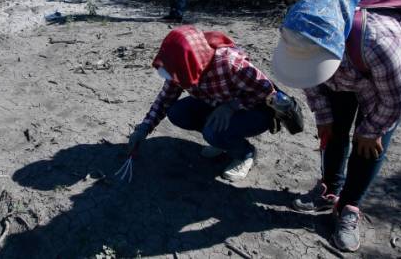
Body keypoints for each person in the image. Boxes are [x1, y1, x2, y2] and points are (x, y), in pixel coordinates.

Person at [271, 0, 401, 252]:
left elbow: (398, 97)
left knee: (368, 145)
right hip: (344, 71)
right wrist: (323, 116)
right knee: (334, 130)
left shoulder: (378, 42)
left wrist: (372, 129)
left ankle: (349, 206)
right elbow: (307, 77)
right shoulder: (300, 29)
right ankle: (329, 189)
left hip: (387, 79)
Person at [127, 25, 303, 181]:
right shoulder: (182, 65)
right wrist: (144, 128)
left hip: (255, 110)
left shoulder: (230, 64)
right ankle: (222, 140)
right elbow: (165, 99)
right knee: (177, 112)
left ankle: (245, 153)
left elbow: (268, 93)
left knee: (212, 133)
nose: (174, 79)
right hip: (218, 103)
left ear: (189, 62)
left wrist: (231, 107)